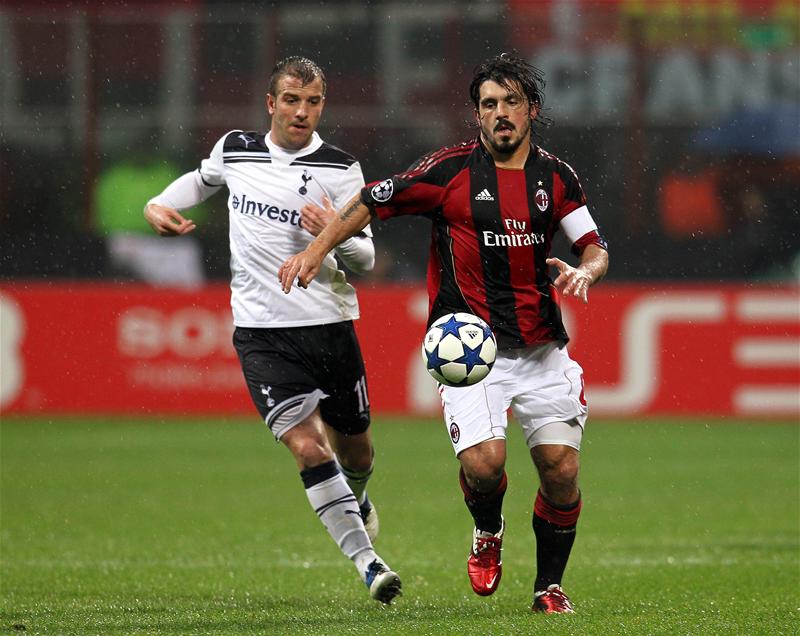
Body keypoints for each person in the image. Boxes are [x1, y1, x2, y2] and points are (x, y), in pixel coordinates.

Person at [279, 53, 609, 613]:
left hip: (540, 348)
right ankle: (488, 530)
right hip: (471, 349)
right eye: (488, 105)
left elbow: (592, 246)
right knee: (484, 465)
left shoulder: (556, 177)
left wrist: (587, 269)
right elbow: (367, 201)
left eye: (510, 103)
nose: (500, 114)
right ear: (476, 114)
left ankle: (548, 587)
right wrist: (316, 249)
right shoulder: (448, 171)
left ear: (532, 109)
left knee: (562, 469)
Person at [143, 56, 402, 605]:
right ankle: (367, 561)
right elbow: (201, 179)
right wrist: (158, 203)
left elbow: (365, 258)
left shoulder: (340, 169)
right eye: (291, 100)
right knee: (309, 448)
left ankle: (358, 497)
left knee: (356, 453)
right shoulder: (236, 148)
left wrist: (330, 234)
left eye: (312, 102)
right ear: (271, 103)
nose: (301, 111)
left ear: (322, 106)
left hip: (329, 328)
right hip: (261, 332)